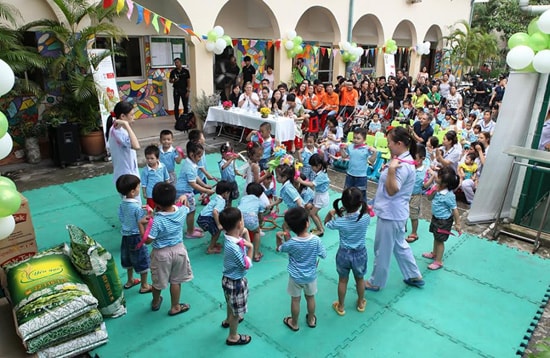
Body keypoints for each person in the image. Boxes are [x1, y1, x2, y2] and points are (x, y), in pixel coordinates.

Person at [365, 126, 425, 291]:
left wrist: (391, 170)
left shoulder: (401, 165)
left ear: (399, 143)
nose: (388, 146)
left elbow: (392, 190)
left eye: (389, 143)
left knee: (382, 249)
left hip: (391, 214)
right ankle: (413, 275)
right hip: (396, 213)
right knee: (399, 244)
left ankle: (376, 282)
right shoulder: (402, 160)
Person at [144, 182, 193, 316]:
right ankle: (175, 306)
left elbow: (148, 240)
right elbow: (186, 206)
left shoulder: (157, 221)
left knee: (157, 282)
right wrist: (183, 197)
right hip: (179, 251)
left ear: (156, 203)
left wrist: (142, 225)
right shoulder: (182, 211)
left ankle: (155, 302)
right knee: (176, 281)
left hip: (161, 254)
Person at [276, 207, 327, 331]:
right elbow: (323, 255)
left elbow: (280, 249)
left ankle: (294, 323)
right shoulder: (316, 240)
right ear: (307, 223)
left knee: (295, 300)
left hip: (295, 277)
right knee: (310, 298)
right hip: (311, 276)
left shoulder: (292, 243)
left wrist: (279, 238)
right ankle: (310, 320)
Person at [324, 187, 370, 316]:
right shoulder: (365, 218)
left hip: (344, 254)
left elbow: (327, 224)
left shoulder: (340, 221)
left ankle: (341, 306)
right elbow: (364, 212)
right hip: (360, 253)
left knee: (342, 280)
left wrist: (330, 213)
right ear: (360, 203)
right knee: (360, 279)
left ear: (343, 204)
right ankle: (361, 303)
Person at [219, 207, 254, 346]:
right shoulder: (234, 247)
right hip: (236, 283)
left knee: (229, 303)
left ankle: (228, 319)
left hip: (227, 279)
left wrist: (243, 232)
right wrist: (250, 247)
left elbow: (239, 235)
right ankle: (233, 336)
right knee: (236, 313)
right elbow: (246, 264)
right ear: (239, 223)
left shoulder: (229, 237)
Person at [116, 174, 152, 294]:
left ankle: (130, 280)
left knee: (127, 259)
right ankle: (144, 285)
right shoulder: (137, 208)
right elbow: (143, 222)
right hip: (136, 237)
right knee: (142, 260)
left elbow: (121, 217)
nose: (139, 189)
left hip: (125, 236)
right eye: (138, 187)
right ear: (132, 191)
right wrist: (149, 214)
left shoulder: (122, 204)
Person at [422, 166, 461, 270]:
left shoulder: (449, 195)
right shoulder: (437, 188)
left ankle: (438, 261)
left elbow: (455, 210)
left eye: (438, 176)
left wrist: (458, 224)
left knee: (440, 241)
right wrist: (434, 190)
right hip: (436, 218)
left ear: (445, 183)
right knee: (436, 237)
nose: (436, 177)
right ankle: (434, 253)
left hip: (444, 221)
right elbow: (429, 198)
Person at [175, 141, 215, 239]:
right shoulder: (189, 166)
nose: (200, 158)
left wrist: (205, 185)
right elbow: (193, 184)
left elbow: (196, 177)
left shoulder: (191, 163)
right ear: (192, 155)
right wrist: (206, 191)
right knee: (191, 212)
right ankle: (190, 232)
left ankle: (191, 228)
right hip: (185, 192)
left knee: (190, 211)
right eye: (199, 156)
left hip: (184, 190)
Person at [106, 101, 140, 191]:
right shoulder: (118, 132)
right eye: (131, 115)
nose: (134, 117)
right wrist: (127, 125)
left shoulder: (117, 129)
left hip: (127, 173)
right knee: (131, 202)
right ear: (123, 116)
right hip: (126, 176)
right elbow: (136, 146)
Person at [295, 154, 330, 237]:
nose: (311, 168)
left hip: (321, 197)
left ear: (318, 166)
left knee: (312, 214)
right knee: (315, 213)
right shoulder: (321, 172)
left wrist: (301, 181)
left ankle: (320, 230)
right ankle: (320, 228)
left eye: (312, 166)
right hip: (319, 195)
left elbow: (312, 184)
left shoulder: (321, 175)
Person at [340, 127, 377, 203]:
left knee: (361, 194)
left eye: (358, 138)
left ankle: (363, 209)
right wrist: (341, 149)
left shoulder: (367, 149)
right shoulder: (350, 147)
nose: (355, 140)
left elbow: (371, 161)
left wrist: (375, 153)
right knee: (347, 192)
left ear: (364, 140)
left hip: (361, 176)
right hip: (350, 174)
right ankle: (347, 206)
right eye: (354, 138)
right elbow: (344, 156)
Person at [197, 180, 233, 254]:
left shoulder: (217, 197)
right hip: (206, 219)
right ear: (226, 193)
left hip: (201, 217)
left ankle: (213, 243)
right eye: (229, 193)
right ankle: (210, 249)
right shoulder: (221, 201)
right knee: (217, 231)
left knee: (215, 231)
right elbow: (215, 212)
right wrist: (219, 224)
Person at [238, 183, 270, 262]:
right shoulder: (259, 202)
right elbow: (261, 216)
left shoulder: (243, 199)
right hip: (251, 218)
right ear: (259, 194)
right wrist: (260, 222)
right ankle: (256, 254)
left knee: (240, 234)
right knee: (256, 232)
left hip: (238, 217)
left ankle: (240, 254)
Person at [406, 144, 428, 243]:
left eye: (415, 157)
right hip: (405, 194)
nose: (412, 159)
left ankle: (414, 232)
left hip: (415, 195)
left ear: (422, 158)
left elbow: (426, 185)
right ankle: (402, 227)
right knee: (402, 211)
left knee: (414, 215)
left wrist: (431, 178)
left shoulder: (425, 170)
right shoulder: (409, 166)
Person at [141, 145, 170, 209]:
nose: (149, 160)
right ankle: (151, 218)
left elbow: (166, 178)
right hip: (150, 194)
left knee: (161, 208)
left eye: (152, 158)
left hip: (161, 192)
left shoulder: (162, 166)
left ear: (157, 158)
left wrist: (168, 189)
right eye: (147, 158)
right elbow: (144, 183)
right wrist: (144, 193)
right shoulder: (145, 170)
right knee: (150, 209)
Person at [219, 142, 241, 207]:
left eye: (232, 152)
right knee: (224, 200)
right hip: (225, 184)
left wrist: (242, 175)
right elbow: (223, 167)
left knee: (230, 198)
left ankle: (229, 208)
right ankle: (225, 210)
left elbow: (235, 171)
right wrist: (232, 159)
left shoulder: (232, 161)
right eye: (229, 153)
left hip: (232, 183)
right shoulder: (222, 162)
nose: (231, 154)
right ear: (223, 154)